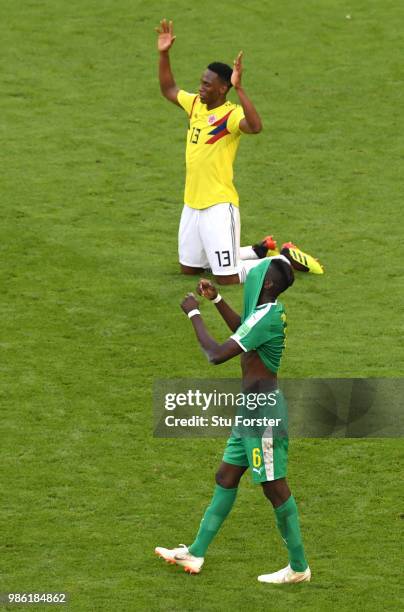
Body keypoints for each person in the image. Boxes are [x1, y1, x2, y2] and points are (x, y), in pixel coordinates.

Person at [155, 256, 311, 583]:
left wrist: (194, 312)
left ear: (267, 284)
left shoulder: (266, 317)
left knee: (274, 488)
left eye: (258, 272)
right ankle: (196, 552)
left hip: (263, 416)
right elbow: (244, 328)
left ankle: (299, 567)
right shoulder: (265, 312)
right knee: (226, 476)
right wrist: (216, 299)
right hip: (249, 411)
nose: (252, 275)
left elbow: (216, 355)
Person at [156, 18, 286, 284]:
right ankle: (255, 250)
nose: (201, 88)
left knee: (226, 278)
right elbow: (168, 88)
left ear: (222, 89)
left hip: (218, 205)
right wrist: (164, 54)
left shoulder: (230, 116)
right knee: (190, 270)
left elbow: (256, 126)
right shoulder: (196, 105)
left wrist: (240, 88)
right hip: (192, 203)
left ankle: (280, 260)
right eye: (201, 82)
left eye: (206, 85)